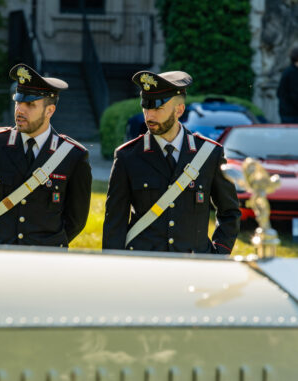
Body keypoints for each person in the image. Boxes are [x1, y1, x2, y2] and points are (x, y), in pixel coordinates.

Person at [102, 70, 241, 253]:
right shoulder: (128, 156)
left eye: (157, 109)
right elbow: (114, 222)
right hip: (144, 266)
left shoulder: (208, 153)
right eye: (146, 107)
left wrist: (218, 254)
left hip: (193, 266)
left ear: (179, 110)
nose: (149, 116)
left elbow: (229, 212)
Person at [0, 63, 92, 246]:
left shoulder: (72, 156)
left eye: (30, 104)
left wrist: (50, 243)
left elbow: (76, 219)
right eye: (18, 102)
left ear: (49, 110)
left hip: (44, 260)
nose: (20, 110)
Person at [277, 46, 298, 123]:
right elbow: (295, 94)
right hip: (292, 114)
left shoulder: (289, 71)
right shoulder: (293, 72)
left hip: (287, 112)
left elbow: (279, 92)